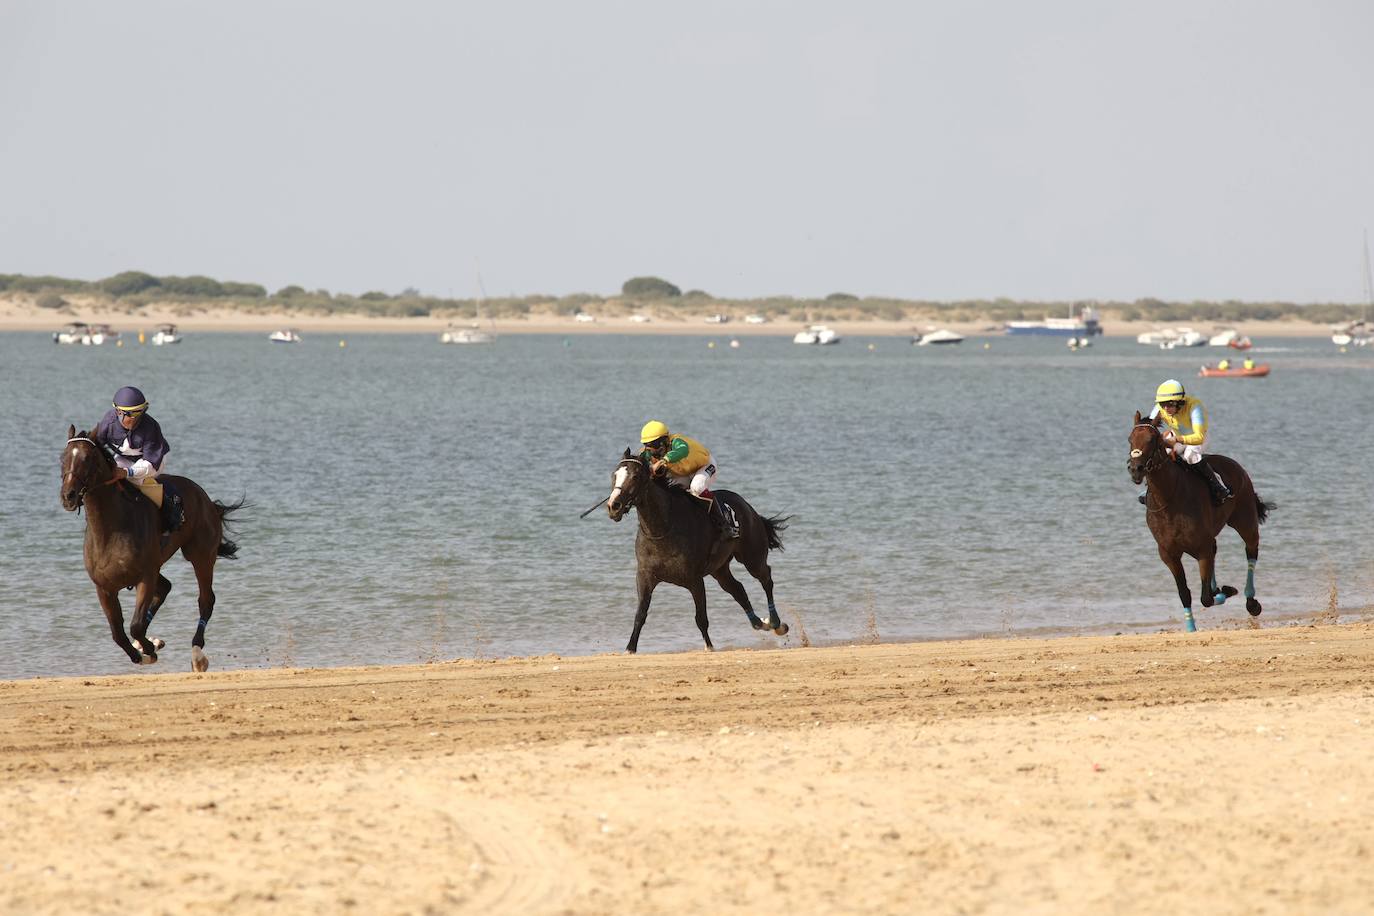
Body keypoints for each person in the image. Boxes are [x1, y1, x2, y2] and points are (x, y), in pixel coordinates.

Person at [93, 386, 183, 533]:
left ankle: (170, 504)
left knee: (137, 479)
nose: (135, 418)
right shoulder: (108, 422)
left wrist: (127, 472)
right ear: (118, 412)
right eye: (131, 414)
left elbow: (149, 463)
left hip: (153, 460)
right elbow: (96, 444)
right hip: (124, 458)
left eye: (139, 413)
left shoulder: (150, 426)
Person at [638, 420, 739, 538]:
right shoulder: (648, 452)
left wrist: (662, 461)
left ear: (664, 440)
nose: (650, 450)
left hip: (704, 465)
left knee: (697, 487)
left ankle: (724, 523)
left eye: (653, 445)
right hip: (684, 472)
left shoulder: (677, 441)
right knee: (670, 492)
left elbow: (682, 451)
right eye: (647, 445)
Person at [1140, 379, 1233, 506]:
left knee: (1190, 456)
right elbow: (1149, 428)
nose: (1166, 408)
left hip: (1198, 437)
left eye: (1170, 404)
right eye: (1163, 404)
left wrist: (1177, 440)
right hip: (1176, 436)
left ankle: (1218, 486)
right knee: (1158, 455)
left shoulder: (1195, 407)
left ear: (1180, 402)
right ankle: (1151, 489)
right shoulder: (1160, 408)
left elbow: (1199, 437)